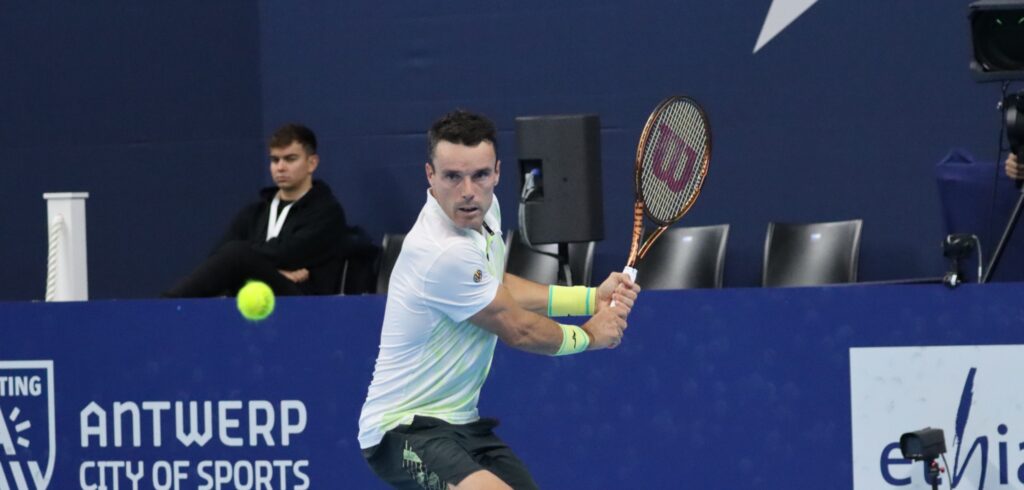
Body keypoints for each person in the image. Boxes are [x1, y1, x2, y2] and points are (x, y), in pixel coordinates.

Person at [358, 110, 641, 489]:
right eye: (452, 177)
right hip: (403, 429)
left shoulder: (485, 211)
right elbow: (518, 328)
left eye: (480, 175)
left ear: (498, 172)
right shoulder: (440, 251)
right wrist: (588, 336)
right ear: (430, 175)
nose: (468, 191)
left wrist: (588, 298)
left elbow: (495, 285)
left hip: (461, 422)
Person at [164, 124, 347, 297]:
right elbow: (219, 258)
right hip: (254, 293)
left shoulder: (326, 212)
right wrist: (269, 269)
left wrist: (249, 262)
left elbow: (287, 253)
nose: (280, 167)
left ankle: (168, 306)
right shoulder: (256, 211)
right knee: (233, 256)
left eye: (290, 159)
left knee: (237, 253)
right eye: (275, 160)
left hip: (303, 299)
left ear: (312, 163)